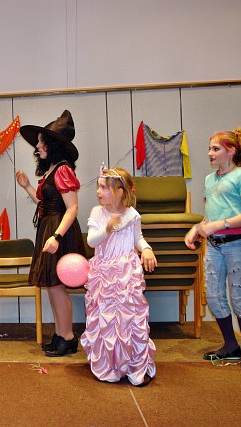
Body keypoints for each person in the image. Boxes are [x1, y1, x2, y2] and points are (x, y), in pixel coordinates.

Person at [185, 128, 241, 371]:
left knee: (239, 297)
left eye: (216, 149)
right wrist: (197, 228)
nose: (210, 153)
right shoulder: (210, 179)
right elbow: (211, 214)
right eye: (209, 148)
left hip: (237, 245)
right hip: (214, 247)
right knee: (214, 297)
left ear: (231, 150)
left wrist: (220, 225)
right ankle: (230, 345)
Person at [16, 110, 86, 357]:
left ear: (53, 145)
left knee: (57, 287)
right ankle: (59, 334)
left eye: (41, 143)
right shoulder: (53, 170)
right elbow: (43, 202)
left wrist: (56, 237)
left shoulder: (63, 170)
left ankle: (68, 337)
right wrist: (27, 185)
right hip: (49, 227)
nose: (37, 147)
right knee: (52, 286)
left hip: (58, 230)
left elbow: (72, 208)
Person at [80, 165, 157, 386]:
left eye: (104, 187)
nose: (98, 191)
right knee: (106, 320)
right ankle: (109, 365)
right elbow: (91, 241)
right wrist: (107, 228)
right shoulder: (98, 213)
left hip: (126, 276)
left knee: (129, 319)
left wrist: (147, 249)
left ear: (119, 192)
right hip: (104, 275)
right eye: (98, 187)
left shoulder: (132, 215)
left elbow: (138, 238)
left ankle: (134, 365)